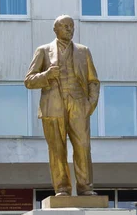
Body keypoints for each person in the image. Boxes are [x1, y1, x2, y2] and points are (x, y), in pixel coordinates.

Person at [24, 15, 100, 196]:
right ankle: (62, 189)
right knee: (57, 149)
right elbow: (28, 81)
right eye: (65, 26)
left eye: (72, 26)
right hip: (53, 106)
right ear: (55, 29)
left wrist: (90, 104)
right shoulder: (43, 51)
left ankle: (85, 187)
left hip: (79, 105)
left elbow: (93, 81)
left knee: (83, 146)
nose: (69, 29)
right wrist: (47, 75)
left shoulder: (84, 51)